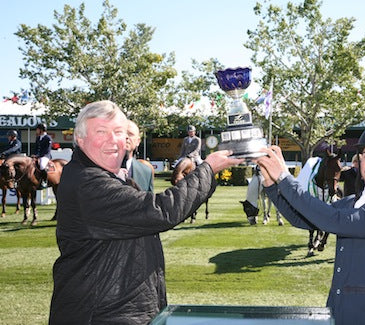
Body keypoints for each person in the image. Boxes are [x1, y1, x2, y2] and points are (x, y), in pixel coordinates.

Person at [49, 100, 243, 324]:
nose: (113, 140)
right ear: (80, 140)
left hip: (116, 310)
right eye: (101, 132)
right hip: (102, 315)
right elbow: (161, 210)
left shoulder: (103, 176)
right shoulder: (88, 183)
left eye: (119, 132)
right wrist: (208, 169)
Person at [254, 122, 365, 325]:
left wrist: (284, 177)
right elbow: (303, 219)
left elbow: (334, 220)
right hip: (338, 312)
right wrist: (271, 184)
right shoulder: (353, 202)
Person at [123, 120, 154, 191]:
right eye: (122, 132)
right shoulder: (100, 168)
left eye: (130, 134)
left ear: (138, 141)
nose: (126, 137)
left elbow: (149, 200)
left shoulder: (146, 172)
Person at [33, 123, 52, 188]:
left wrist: (38, 155)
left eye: (37, 129)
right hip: (38, 156)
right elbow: (35, 148)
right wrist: (34, 155)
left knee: (42, 166)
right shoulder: (38, 138)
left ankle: (44, 181)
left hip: (45, 156)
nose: (36, 131)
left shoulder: (48, 138)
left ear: (41, 130)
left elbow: (46, 149)